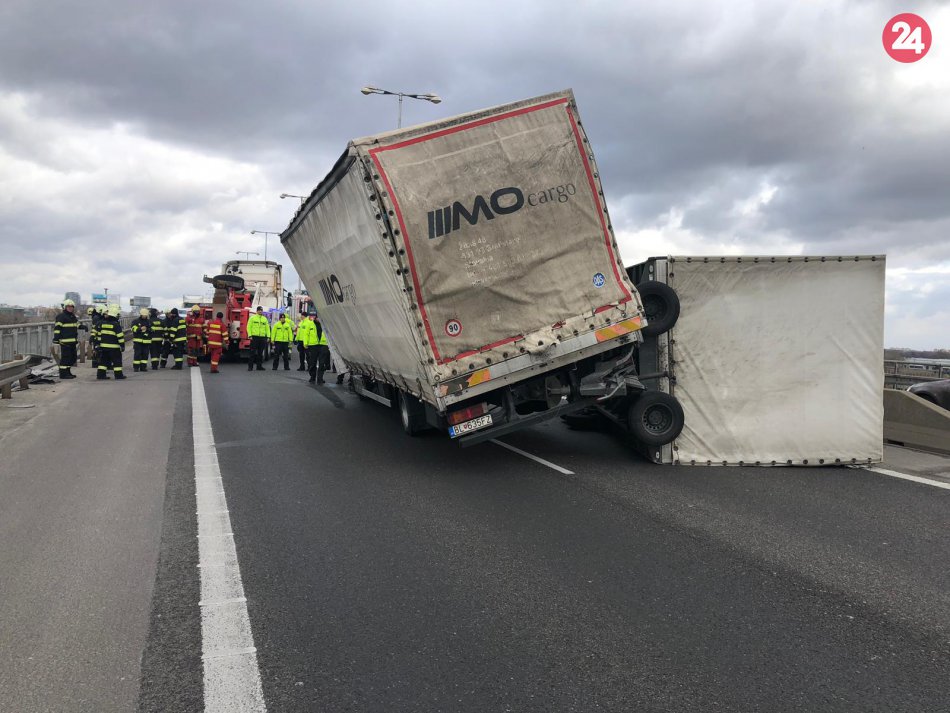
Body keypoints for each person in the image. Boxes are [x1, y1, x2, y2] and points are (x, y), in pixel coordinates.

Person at [52, 298, 81, 380]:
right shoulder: (61, 317)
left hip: (72, 341)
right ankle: (63, 374)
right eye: (68, 307)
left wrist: (82, 326)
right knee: (66, 358)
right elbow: (57, 328)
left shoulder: (72, 316)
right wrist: (56, 339)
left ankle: (68, 372)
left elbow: (77, 324)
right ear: (65, 307)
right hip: (65, 341)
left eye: (72, 307)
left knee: (72, 358)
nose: (70, 308)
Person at [97, 304, 126, 380]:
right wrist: (122, 345)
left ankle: (100, 375)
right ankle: (118, 375)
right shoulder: (116, 324)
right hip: (114, 348)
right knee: (117, 362)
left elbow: (99, 335)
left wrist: (98, 344)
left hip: (103, 347)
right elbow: (120, 336)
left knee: (103, 362)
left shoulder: (102, 323)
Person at [246, 306, 270, 372]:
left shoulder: (265, 319)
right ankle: (250, 367)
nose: (260, 311)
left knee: (260, 353)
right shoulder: (252, 318)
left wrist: (268, 337)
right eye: (259, 310)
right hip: (254, 337)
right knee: (252, 352)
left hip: (262, 337)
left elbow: (267, 328)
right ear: (257, 311)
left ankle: (259, 366)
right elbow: (248, 327)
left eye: (261, 310)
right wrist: (250, 335)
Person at [310, 314, 331, 385]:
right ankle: (312, 377)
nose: (319, 319)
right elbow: (306, 334)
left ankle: (320, 378)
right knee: (313, 362)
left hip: (323, 344)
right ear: (315, 318)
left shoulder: (326, 324)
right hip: (313, 345)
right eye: (318, 318)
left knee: (322, 363)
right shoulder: (310, 324)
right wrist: (305, 343)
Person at [297, 312, 317, 381]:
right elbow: (299, 332)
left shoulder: (309, 322)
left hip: (306, 341)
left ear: (304, 316)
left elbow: (307, 333)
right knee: (301, 355)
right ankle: (302, 366)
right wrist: (297, 339)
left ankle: (309, 367)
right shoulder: (301, 323)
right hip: (300, 340)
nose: (301, 317)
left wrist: (307, 342)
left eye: (302, 316)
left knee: (308, 355)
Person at [130, 308, 152, 372]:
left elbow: (152, 329)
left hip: (146, 341)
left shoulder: (149, 322)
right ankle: (136, 367)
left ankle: (143, 367)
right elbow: (133, 329)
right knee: (137, 354)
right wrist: (140, 329)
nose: (144, 316)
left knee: (145, 355)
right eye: (143, 315)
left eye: (145, 315)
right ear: (141, 314)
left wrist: (148, 329)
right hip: (138, 341)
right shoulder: (135, 321)